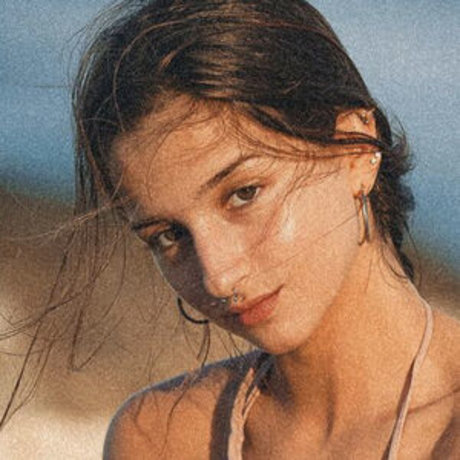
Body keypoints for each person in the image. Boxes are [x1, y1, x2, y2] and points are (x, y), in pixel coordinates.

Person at [67, 0, 460, 457]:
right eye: (168, 235)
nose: (218, 278)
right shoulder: (160, 440)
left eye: (244, 193)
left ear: (355, 149)